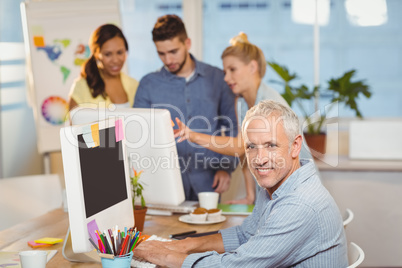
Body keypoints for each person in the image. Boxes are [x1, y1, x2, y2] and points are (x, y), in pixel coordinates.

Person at [134, 100, 348, 267]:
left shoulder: (299, 204)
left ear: (295, 146)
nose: (259, 158)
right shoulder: (279, 186)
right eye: (251, 147)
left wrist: (164, 256)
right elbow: (244, 235)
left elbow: (236, 265)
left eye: (271, 145)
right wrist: (183, 245)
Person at [175, 32, 295, 204]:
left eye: (232, 70)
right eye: (225, 71)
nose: (226, 78)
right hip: (274, 191)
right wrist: (250, 196)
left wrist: (192, 135)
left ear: (252, 67)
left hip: (293, 190)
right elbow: (246, 153)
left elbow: (239, 147)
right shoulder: (241, 103)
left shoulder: (270, 104)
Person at [133, 15, 238, 201]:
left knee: (210, 230)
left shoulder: (217, 79)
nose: (168, 59)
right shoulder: (148, 85)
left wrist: (225, 167)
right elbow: (137, 135)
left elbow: (231, 128)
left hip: (209, 181)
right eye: (161, 53)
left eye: (173, 51)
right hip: (164, 184)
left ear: (187, 43)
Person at [68, 24, 138, 110]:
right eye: (107, 54)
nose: (115, 60)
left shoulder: (135, 85)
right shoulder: (81, 86)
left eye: (120, 52)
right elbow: (73, 122)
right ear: (96, 54)